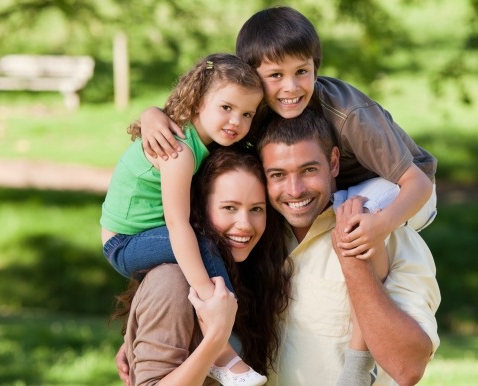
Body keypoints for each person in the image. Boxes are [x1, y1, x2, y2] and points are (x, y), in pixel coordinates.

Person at [137, 6, 438, 384]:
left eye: (301, 73)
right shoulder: (251, 132)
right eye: (275, 76)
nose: (290, 87)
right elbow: (199, 128)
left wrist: (375, 231)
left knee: (353, 223)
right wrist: (151, 115)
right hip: (341, 191)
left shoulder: (347, 113)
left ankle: (357, 365)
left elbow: (417, 184)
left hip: (403, 188)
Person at [100, 53, 268, 386]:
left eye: (247, 113)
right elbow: (178, 226)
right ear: (197, 102)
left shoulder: (202, 144)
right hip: (125, 242)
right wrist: (213, 300)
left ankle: (219, 336)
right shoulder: (179, 152)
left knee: (203, 245)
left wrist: (151, 113)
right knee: (203, 245)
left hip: (146, 235)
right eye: (226, 108)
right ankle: (222, 347)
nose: (236, 121)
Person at [255, 108, 440, 386]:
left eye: (308, 170)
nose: (294, 190)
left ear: (333, 163)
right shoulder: (253, 238)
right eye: (278, 175)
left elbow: (407, 367)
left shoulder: (389, 235)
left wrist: (354, 262)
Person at [113, 146, 292, 386]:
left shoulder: (249, 273)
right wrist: (215, 339)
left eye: (256, 209)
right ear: (199, 208)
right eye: (229, 207)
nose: (245, 224)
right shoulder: (172, 281)